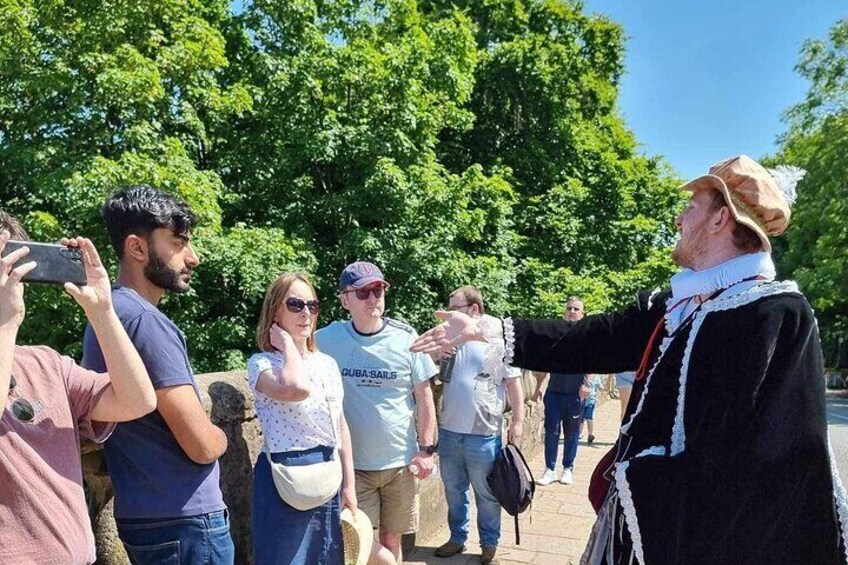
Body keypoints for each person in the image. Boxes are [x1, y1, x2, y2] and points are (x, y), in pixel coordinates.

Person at [411, 156, 848, 564]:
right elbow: (592, 339)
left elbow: (779, 456)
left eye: (693, 206)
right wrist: (482, 328)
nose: (680, 219)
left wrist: (652, 482)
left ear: (720, 218)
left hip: (700, 533)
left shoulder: (774, 313)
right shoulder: (680, 303)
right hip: (643, 515)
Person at [82, 186, 234, 564]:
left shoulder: (108, 314)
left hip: (141, 515)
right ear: (137, 247)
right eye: (179, 243)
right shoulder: (147, 322)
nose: (193, 257)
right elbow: (200, 445)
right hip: (186, 520)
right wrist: (220, 438)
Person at [0, 215, 156, 565]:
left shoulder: (45, 362)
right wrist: (5, 324)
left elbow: (138, 400)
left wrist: (102, 312)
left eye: (11, 260)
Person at [316, 261, 438, 564]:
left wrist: (427, 451)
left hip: (400, 463)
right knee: (357, 543)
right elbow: (286, 346)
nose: (374, 298)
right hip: (353, 466)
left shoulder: (406, 338)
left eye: (379, 290)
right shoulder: (326, 339)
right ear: (345, 300)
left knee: (391, 538)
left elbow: (425, 400)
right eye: (364, 292)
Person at [247, 273, 357, 564]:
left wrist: (349, 485)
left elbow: (339, 424)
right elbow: (296, 388)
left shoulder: (327, 364)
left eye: (313, 305)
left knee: (324, 559)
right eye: (295, 304)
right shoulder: (261, 364)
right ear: (275, 311)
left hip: (326, 476)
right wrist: (286, 346)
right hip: (283, 478)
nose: (306, 312)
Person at [433, 286, 525, 565]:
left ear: (473, 310)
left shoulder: (496, 339)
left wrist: (518, 420)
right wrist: (440, 352)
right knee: (453, 489)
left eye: (454, 309)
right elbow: (437, 375)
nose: (448, 315)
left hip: (483, 433)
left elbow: (513, 383)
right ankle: (457, 537)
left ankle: (488, 543)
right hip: (449, 430)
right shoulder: (451, 338)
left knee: (486, 493)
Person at [531, 297, 589, 486]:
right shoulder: (556, 334)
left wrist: (587, 384)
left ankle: (568, 468)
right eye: (569, 308)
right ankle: (550, 469)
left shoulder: (586, 336)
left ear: (582, 314)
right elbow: (546, 363)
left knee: (572, 432)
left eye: (576, 309)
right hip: (554, 392)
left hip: (575, 393)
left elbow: (593, 362)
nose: (572, 311)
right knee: (551, 430)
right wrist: (539, 387)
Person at [580, 374, 603, 444]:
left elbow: (601, 388)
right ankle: (579, 433)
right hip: (582, 400)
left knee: (589, 418)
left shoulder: (597, 378)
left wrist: (607, 383)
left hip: (591, 401)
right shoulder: (582, 376)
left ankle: (590, 434)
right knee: (581, 418)